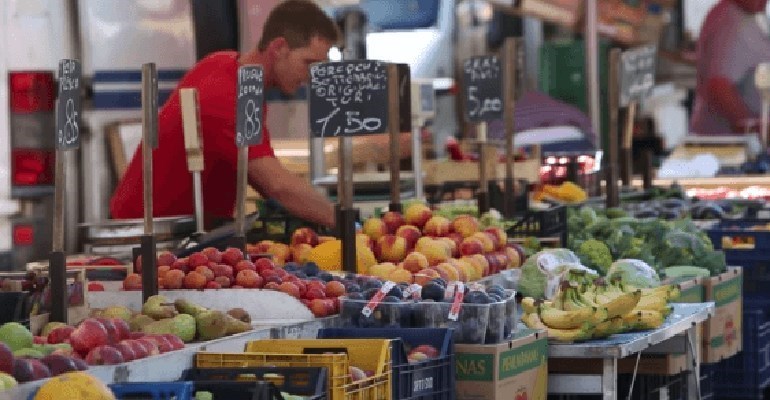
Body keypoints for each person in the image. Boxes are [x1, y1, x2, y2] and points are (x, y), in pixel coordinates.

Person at [110, 0, 339, 228]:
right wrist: (343, 222)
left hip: (184, 227)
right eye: (308, 63)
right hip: (148, 233)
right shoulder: (226, 94)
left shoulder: (230, 68)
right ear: (278, 48)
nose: (310, 75)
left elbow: (259, 174)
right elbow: (276, 185)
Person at [690, 0, 770, 134]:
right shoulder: (728, 19)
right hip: (727, 144)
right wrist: (757, 130)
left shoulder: (751, 17)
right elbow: (718, 88)